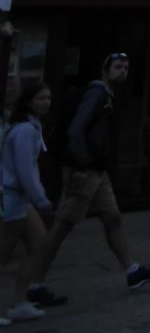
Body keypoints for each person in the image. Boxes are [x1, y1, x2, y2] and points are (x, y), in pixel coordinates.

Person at [32, 54, 150, 294]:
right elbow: (76, 131)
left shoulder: (108, 96)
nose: (122, 71)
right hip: (85, 171)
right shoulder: (98, 94)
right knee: (62, 226)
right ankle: (35, 283)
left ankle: (133, 271)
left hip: (98, 171)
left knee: (112, 217)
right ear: (105, 70)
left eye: (125, 67)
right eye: (117, 67)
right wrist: (83, 162)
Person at [0, 82, 66, 321]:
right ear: (28, 102)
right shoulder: (26, 130)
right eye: (41, 98)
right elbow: (25, 170)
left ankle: (20, 302)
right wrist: (40, 198)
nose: (46, 102)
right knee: (4, 253)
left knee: (38, 243)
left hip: (21, 198)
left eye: (48, 98)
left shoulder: (30, 126)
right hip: (13, 197)